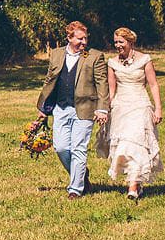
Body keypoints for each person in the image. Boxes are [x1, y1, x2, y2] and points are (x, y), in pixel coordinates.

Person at [35, 20, 111, 198]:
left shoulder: (95, 56)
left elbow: (102, 84)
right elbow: (49, 81)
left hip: (85, 108)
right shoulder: (56, 54)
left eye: (85, 38)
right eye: (80, 39)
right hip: (61, 108)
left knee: (79, 148)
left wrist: (102, 109)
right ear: (69, 37)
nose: (84, 42)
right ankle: (82, 175)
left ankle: (75, 189)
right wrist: (43, 108)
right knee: (60, 147)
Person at [104, 26, 163, 202]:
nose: (118, 45)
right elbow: (111, 89)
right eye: (115, 42)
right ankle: (135, 181)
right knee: (124, 146)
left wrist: (158, 108)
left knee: (137, 144)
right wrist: (106, 109)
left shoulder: (145, 60)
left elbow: (153, 84)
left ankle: (133, 187)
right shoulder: (112, 63)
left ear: (130, 42)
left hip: (140, 105)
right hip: (121, 107)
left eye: (121, 42)